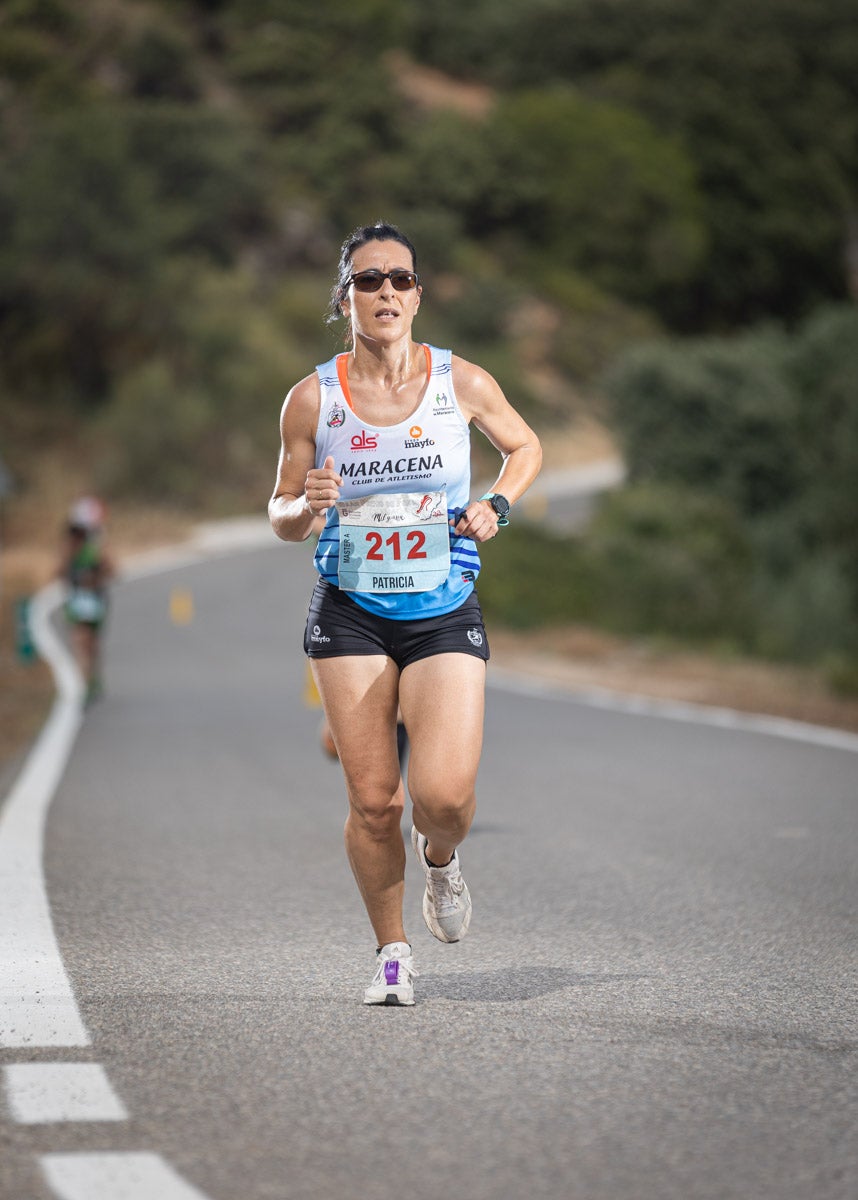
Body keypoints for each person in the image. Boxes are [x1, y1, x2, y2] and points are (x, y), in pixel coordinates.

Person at [269, 221, 542, 1005]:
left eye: (399, 279)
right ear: (346, 298)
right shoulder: (313, 398)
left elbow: (524, 449)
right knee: (375, 801)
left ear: (418, 294)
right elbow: (280, 510)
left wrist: (498, 503)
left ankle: (442, 861)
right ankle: (392, 954)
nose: (384, 291)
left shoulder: (463, 383)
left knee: (445, 799)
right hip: (350, 611)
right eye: (367, 280)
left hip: (442, 607)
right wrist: (304, 508)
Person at [57, 512, 114, 705]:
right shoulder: (67, 553)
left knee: (92, 644)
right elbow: (58, 574)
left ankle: (93, 679)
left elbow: (112, 570)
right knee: (81, 641)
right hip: (76, 603)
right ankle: (86, 683)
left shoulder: (93, 552)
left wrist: (94, 579)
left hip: (94, 601)